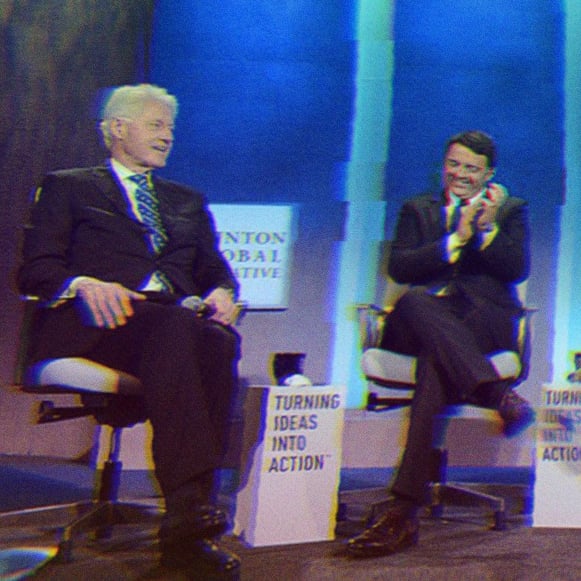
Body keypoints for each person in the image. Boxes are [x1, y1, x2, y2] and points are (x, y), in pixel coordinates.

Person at [18, 84, 242, 577]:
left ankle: (186, 525)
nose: (168, 137)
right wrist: (81, 283)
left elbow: (216, 272)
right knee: (178, 328)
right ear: (118, 128)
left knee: (219, 338)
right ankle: (189, 515)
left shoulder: (186, 201)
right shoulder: (70, 186)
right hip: (99, 324)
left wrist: (226, 293)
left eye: (171, 128)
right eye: (157, 125)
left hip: (172, 325)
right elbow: (34, 270)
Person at [345, 130, 535, 558]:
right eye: (454, 164)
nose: (460, 175)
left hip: (479, 322)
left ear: (488, 174)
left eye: (471, 168)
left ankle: (402, 512)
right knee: (414, 298)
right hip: (418, 321)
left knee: (437, 361)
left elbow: (515, 269)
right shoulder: (418, 208)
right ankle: (492, 390)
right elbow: (400, 267)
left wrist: (485, 230)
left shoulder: (512, 210)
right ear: (443, 164)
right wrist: (455, 240)